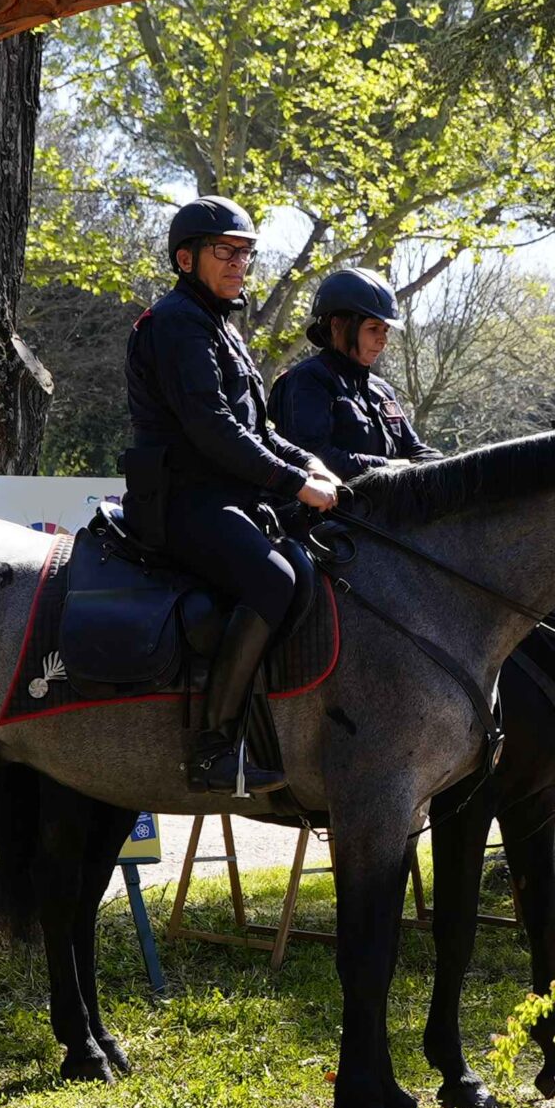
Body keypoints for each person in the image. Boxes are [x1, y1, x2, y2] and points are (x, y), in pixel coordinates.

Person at [123, 197, 340, 794]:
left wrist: (311, 463)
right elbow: (211, 427)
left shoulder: (221, 324)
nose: (239, 263)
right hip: (181, 500)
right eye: (226, 251)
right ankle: (214, 746)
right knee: (273, 579)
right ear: (185, 257)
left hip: (227, 496)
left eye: (245, 252)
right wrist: (294, 482)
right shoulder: (176, 322)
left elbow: (259, 429)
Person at [269, 266, 440, 479]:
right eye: (373, 329)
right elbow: (313, 455)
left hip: (388, 507)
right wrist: (390, 466)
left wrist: (454, 468)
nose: (383, 340)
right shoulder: (308, 378)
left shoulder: (381, 389)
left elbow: (414, 450)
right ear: (337, 326)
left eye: (386, 330)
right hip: (331, 508)